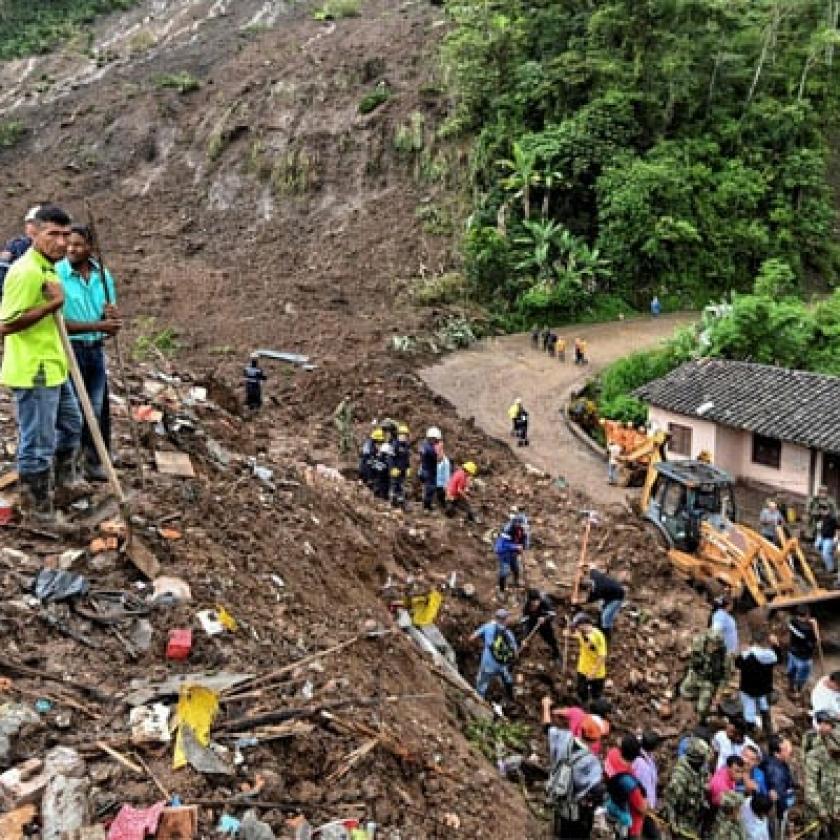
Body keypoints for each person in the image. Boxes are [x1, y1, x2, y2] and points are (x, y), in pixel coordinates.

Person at [0, 205, 82, 523]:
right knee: (38, 441)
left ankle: (62, 483)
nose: (62, 242)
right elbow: (5, 324)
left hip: (54, 366)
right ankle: (37, 506)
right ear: (34, 233)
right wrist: (53, 304)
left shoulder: (50, 268)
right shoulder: (26, 272)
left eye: (66, 235)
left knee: (72, 425)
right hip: (34, 371)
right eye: (54, 235)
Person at [56, 224, 120, 482]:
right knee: (73, 412)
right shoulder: (57, 274)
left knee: (97, 408)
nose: (71, 248)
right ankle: (68, 467)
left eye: (78, 244)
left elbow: (109, 317)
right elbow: (58, 323)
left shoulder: (102, 276)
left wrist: (112, 322)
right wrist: (98, 325)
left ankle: (95, 461)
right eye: (69, 244)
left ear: (90, 248)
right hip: (70, 349)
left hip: (95, 350)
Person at [542, 696, 604, 839]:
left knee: (560, 831)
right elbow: (596, 791)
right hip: (575, 812)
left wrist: (545, 706)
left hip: (557, 797)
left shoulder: (563, 737)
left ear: (581, 730)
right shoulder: (592, 762)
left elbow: (547, 728)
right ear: (596, 739)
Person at [662, 737, 711, 839]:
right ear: (697, 759)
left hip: (694, 818)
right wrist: (673, 827)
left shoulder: (700, 769)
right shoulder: (680, 777)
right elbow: (669, 803)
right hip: (681, 822)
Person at [681, 628, 731, 723]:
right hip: (696, 674)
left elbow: (725, 678)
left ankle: (703, 717)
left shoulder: (725, 658)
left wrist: (718, 695)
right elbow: (691, 654)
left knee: (702, 709)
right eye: (711, 643)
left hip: (709, 681)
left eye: (716, 645)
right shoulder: (698, 643)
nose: (713, 647)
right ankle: (698, 696)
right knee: (683, 692)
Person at [734, 630, 780, 734]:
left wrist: (745, 651)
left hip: (748, 689)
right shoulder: (771, 655)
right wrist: (776, 645)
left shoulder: (747, 655)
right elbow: (779, 658)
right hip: (763, 690)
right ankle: (768, 731)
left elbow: (737, 663)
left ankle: (750, 731)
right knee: (764, 709)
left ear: (752, 641)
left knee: (749, 712)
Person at [604, 734, 649, 838]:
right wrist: (645, 799)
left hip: (610, 803)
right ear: (634, 758)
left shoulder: (612, 754)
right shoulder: (629, 784)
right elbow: (642, 809)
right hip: (628, 823)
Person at [469, 609, 517, 700]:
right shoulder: (509, 634)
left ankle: (479, 700)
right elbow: (515, 653)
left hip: (488, 665)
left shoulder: (487, 627)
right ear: (505, 619)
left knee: (482, 684)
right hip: (502, 665)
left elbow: (471, 638)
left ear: (496, 618)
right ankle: (511, 697)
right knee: (507, 679)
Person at [803, 727, 840, 837]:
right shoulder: (814, 757)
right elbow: (810, 790)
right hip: (817, 814)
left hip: (836, 815)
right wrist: (822, 811)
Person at [0, 204, 40, 298]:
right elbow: (2, 266)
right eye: (29, 223)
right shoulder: (16, 245)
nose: (30, 226)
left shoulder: (51, 248)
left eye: (33, 223)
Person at [761, 736, 795, 838]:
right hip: (777, 812)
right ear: (776, 753)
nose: (790, 752)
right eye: (786, 750)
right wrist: (782, 813)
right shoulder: (775, 770)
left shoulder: (778, 763)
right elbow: (778, 795)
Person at [578, 569, 625, 641]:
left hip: (617, 597)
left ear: (588, 587)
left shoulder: (598, 590)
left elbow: (588, 600)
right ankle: (599, 626)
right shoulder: (595, 576)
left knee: (605, 617)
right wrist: (583, 569)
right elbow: (591, 570)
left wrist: (577, 601)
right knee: (601, 609)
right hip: (610, 594)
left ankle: (606, 636)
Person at [570, 612, 607, 703]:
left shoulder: (598, 636)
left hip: (597, 673)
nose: (577, 628)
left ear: (584, 624)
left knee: (596, 695)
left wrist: (593, 672)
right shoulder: (581, 632)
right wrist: (568, 634)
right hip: (583, 668)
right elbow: (575, 635)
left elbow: (602, 656)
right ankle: (585, 704)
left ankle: (595, 710)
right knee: (581, 690)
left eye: (578, 625)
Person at [632, 730, 662, 838]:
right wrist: (649, 809)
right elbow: (644, 789)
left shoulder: (648, 756)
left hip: (647, 807)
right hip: (644, 808)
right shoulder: (641, 765)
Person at [520, 588, 561, 664]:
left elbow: (553, 613)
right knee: (526, 639)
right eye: (533, 602)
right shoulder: (526, 606)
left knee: (549, 638)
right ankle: (524, 651)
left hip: (544, 622)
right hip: (532, 621)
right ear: (530, 601)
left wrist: (545, 618)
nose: (536, 603)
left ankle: (557, 654)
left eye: (537, 601)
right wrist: (525, 637)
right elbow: (525, 621)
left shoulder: (545, 601)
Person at [787, 605, 818, 697]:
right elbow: (816, 640)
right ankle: (798, 692)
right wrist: (815, 625)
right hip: (803, 658)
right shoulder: (808, 629)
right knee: (802, 677)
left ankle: (791, 688)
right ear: (807, 615)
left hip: (792, 653)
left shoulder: (791, 622)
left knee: (791, 672)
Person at [494, 524, 524, 596]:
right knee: (504, 573)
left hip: (513, 556)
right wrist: (514, 547)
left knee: (516, 569)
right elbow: (498, 549)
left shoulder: (519, 532)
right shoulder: (504, 537)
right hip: (505, 558)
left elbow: (522, 542)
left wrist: (520, 548)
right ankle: (501, 590)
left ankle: (516, 581)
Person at [419, 426, 441, 512]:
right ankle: (426, 506)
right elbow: (438, 458)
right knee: (430, 488)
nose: (437, 442)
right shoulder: (429, 448)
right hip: (428, 471)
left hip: (425, 469)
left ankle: (427, 504)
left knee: (428, 488)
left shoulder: (424, 445)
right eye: (436, 440)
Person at [388, 423, 411, 508]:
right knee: (394, 486)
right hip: (395, 471)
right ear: (398, 435)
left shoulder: (406, 446)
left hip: (403, 470)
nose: (403, 437)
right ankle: (392, 503)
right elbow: (390, 458)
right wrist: (392, 468)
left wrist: (408, 468)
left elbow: (406, 459)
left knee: (402, 487)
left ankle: (401, 503)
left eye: (405, 435)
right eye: (401, 435)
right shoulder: (394, 445)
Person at [817, 505, 838, 574]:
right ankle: (826, 564)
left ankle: (831, 569)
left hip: (829, 538)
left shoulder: (832, 519)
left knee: (825, 553)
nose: (822, 512)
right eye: (821, 511)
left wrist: (836, 538)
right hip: (822, 537)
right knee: (820, 549)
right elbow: (819, 528)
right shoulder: (821, 518)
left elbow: (837, 528)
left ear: (827, 510)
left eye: (823, 511)